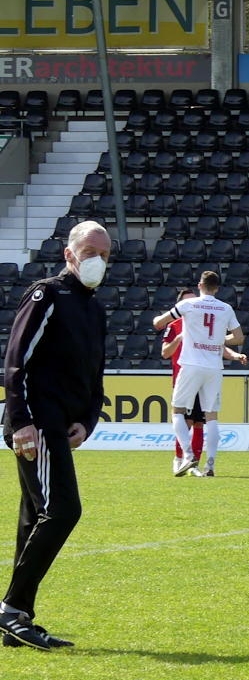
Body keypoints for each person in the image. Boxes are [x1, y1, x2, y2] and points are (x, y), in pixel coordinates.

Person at [0, 221, 110, 650]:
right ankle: (11, 609)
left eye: (104, 254)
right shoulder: (46, 294)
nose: (97, 261)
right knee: (62, 510)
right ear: (69, 254)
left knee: (35, 516)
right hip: (37, 422)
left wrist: (88, 419)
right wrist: (20, 419)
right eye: (90, 252)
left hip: (62, 425)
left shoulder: (95, 309)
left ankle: (17, 619)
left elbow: (95, 374)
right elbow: (16, 360)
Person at [151, 270, 245, 477]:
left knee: (177, 411)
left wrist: (158, 318)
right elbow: (239, 338)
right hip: (214, 367)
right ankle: (210, 465)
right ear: (217, 288)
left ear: (200, 286)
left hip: (191, 364)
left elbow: (158, 323)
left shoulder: (188, 304)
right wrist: (218, 339)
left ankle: (187, 455)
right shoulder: (225, 308)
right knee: (211, 416)